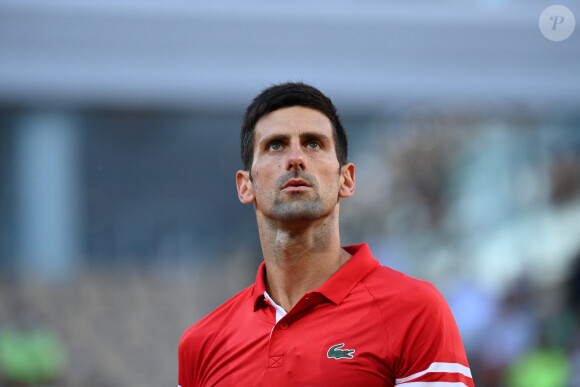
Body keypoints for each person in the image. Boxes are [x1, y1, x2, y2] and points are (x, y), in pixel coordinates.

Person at [178, 82, 474, 387]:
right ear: (245, 186)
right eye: (275, 145)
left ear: (346, 179)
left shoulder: (415, 310)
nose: (295, 158)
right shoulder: (201, 344)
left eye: (313, 143)